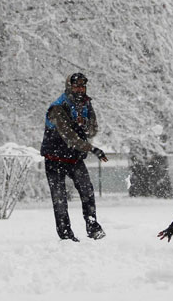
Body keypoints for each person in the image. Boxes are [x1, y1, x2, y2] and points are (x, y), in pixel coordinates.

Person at [40, 72, 108, 241]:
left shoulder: (86, 104)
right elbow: (69, 137)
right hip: (54, 158)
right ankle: (65, 233)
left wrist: (84, 125)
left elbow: (93, 129)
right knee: (60, 197)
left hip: (74, 158)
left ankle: (92, 226)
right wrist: (93, 149)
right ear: (69, 87)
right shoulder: (58, 107)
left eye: (82, 86)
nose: (80, 89)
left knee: (87, 190)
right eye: (76, 86)